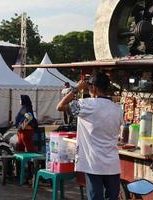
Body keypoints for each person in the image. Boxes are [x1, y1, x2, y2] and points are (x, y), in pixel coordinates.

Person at [57, 71, 123, 200]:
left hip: (94, 164)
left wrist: (76, 89)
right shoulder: (117, 109)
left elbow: (60, 106)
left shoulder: (86, 104)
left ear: (93, 88)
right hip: (112, 164)